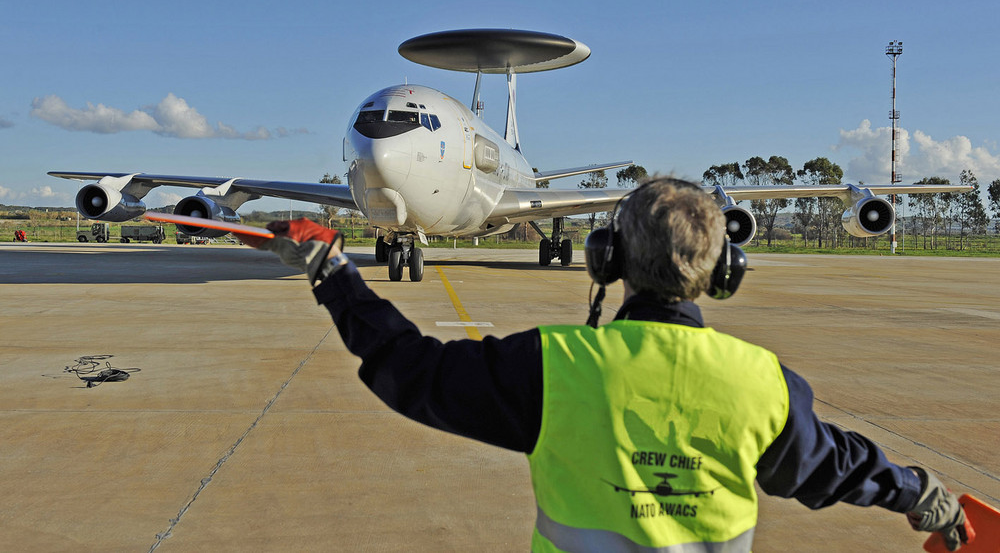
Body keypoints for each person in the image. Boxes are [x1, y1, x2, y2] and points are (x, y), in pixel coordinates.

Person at [242, 177, 968, 551]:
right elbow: (834, 467)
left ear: (608, 261)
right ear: (723, 273)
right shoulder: (761, 385)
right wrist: (916, 491)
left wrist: (332, 272)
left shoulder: (554, 367)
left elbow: (412, 371)